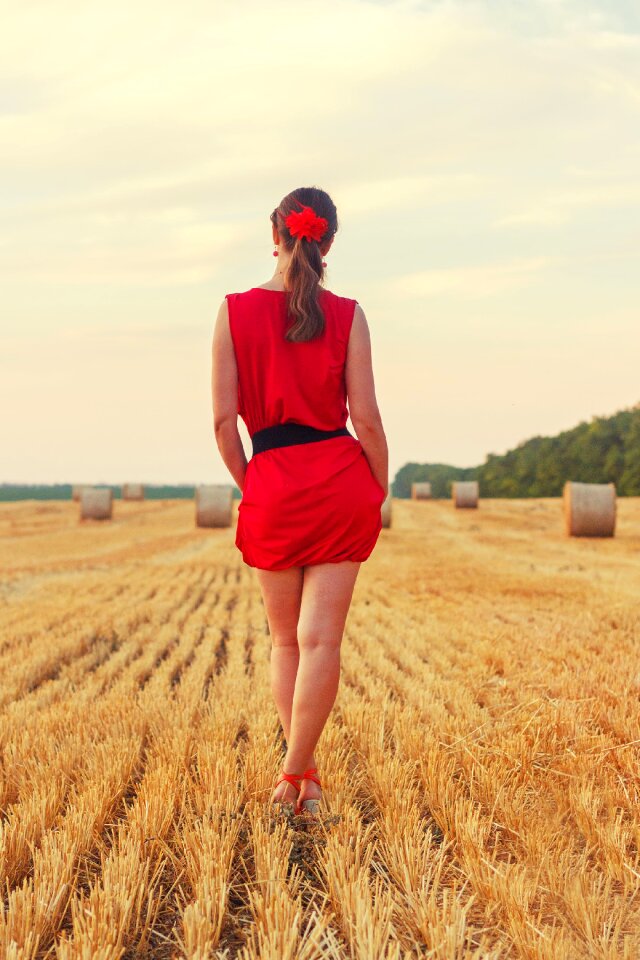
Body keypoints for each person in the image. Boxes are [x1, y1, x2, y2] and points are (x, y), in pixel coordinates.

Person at [211, 186, 389, 815]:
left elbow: (222, 424)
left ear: (276, 236)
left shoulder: (232, 311)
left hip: (275, 483)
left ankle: (297, 774)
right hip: (338, 481)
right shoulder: (349, 314)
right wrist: (377, 484)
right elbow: (365, 419)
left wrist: (253, 482)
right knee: (322, 643)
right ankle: (298, 776)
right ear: (328, 242)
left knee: (286, 642)